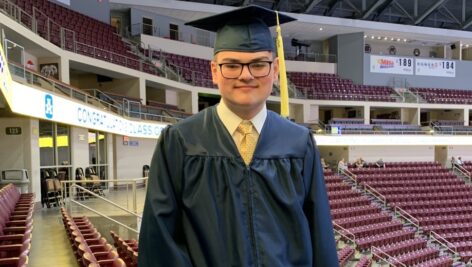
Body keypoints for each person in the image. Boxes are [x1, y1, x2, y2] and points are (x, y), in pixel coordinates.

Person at [138, 5, 338, 267]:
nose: (246, 75)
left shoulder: (300, 144)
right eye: (231, 65)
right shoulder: (180, 142)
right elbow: (160, 241)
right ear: (214, 71)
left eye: (259, 64)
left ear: (275, 68)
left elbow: (319, 234)